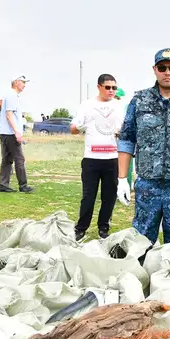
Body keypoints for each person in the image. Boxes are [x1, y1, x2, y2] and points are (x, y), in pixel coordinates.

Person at [116, 48, 170, 245]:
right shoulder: (139, 100)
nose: (167, 72)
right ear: (154, 69)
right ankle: (141, 275)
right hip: (148, 185)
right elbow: (127, 139)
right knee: (141, 242)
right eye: (162, 68)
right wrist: (122, 178)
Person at [70, 73, 124, 241]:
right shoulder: (87, 105)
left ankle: (103, 228)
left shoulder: (119, 106)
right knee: (88, 196)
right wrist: (80, 126)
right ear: (99, 87)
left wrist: (122, 133)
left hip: (112, 158)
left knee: (109, 197)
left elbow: (126, 129)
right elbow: (73, 128)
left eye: (114, 88)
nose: (111, 91)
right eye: (108, 87)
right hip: (91, 158)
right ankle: (81, 228)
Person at [0, 74, 33, 193]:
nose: (24, 85)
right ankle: (23, 185)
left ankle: (3, 184)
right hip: (10, 133)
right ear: (16, 82)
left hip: (5, 132)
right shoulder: (12, 96)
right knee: (19, 159)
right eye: (23, 82)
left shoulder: (10, 95)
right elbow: (9, 115)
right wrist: (17, 132)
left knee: (7, 159)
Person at [115, 87, 135, 191]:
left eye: (117, 97)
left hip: (124, 141)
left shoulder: (127, 107)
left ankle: (125, 187)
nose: (115, 99)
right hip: (112, 142)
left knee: (127, 166)